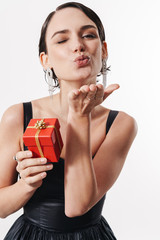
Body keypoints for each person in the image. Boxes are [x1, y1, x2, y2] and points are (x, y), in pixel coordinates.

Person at [0, 2, 137, 239]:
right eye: (62, 40)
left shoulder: (121, 124)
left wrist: (79, 115)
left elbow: (77, 206)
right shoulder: (17, 116)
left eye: (88, 35)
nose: (78, 45)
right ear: (45, 60)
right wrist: (27, 185)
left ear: (103, 50)